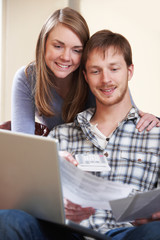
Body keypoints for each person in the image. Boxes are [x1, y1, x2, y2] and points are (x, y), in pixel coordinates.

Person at [0, 29, 160, 240]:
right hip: (68, 234)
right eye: (95, 71)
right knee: (9, 219)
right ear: (85, 76)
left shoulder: (154, 135)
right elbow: (28, 198)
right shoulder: (60, 136)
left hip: (127, 234)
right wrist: (55, 205)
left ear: (129, 72)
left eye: (114, 69)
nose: (106, 80)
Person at [11, 7, 160, 134]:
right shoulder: (27, 78)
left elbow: (126, 114)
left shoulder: (94, 76)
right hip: (60, 148)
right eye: (58, 46)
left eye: (76, 50)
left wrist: (149, 120)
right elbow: (23, 140)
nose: (66, 57)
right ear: (43, 44)